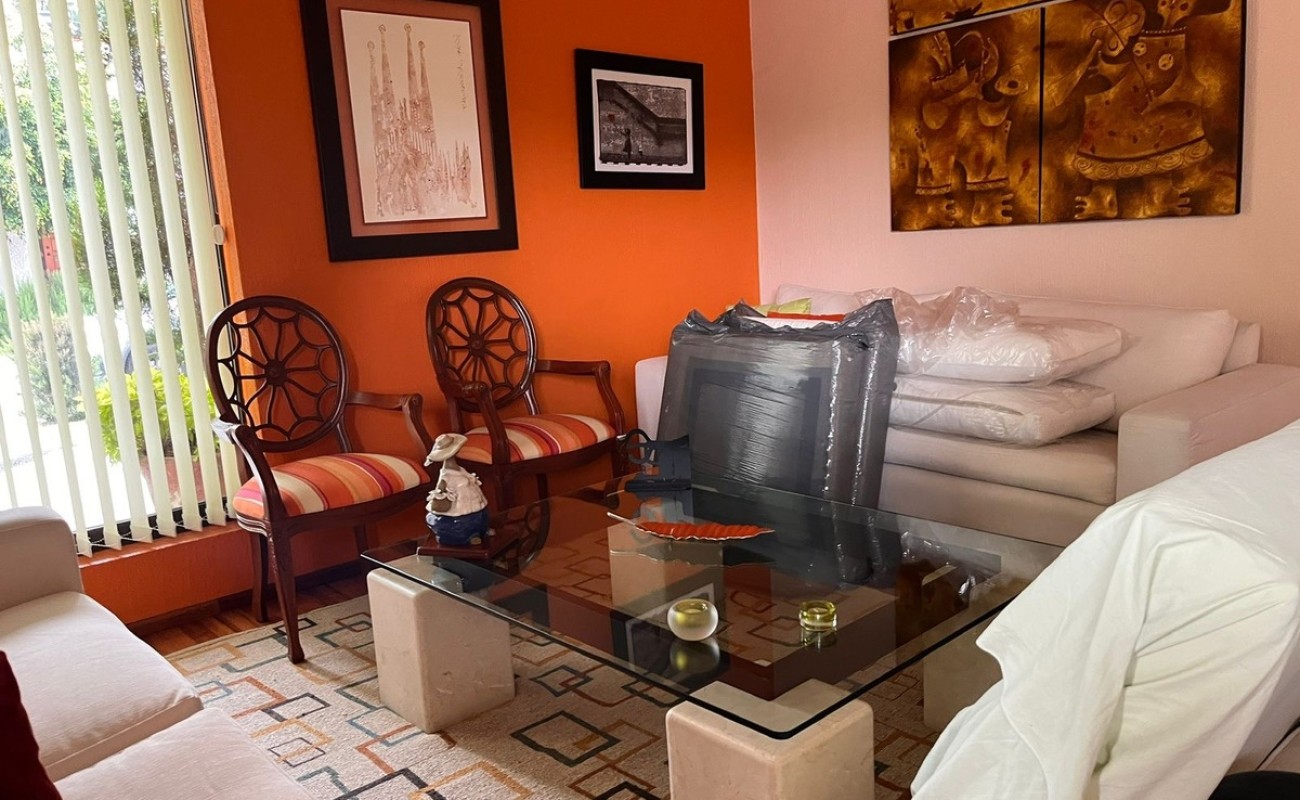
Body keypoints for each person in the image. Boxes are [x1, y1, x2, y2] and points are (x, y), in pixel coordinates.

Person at [424, 433, 490, 546]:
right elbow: (440, 493)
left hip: (472, 500)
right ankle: (465, 538)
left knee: (479, 514)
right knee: (462, 521)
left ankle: (481, 531)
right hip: (460, 505)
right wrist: (442, 495)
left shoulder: (460, 469)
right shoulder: (446, 476)